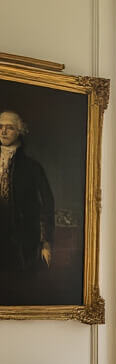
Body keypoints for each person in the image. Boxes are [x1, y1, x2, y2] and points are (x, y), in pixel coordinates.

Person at [0, 110, 55, 276]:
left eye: (9, 128)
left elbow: (47, 202)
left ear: (19, 131)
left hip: (21, 241)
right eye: (0, 127)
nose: (3, 131)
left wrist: (46, 241)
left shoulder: (32, 167)